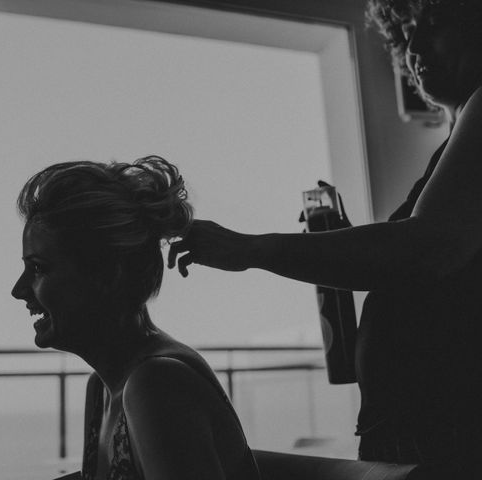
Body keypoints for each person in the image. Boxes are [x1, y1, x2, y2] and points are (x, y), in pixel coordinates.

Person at [168, 0, 482, 475]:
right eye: (405, 32)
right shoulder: (449, 151)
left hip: (451, 436)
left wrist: (253, 248)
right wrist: (347, 244)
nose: (414, 48)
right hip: (416, 432)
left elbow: (428, 248)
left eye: (434, 26)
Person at [11, 156, 260, 480]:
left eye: (39, 268)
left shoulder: (157, 384)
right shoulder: (102, 387)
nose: (19, 290)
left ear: (106, 275)